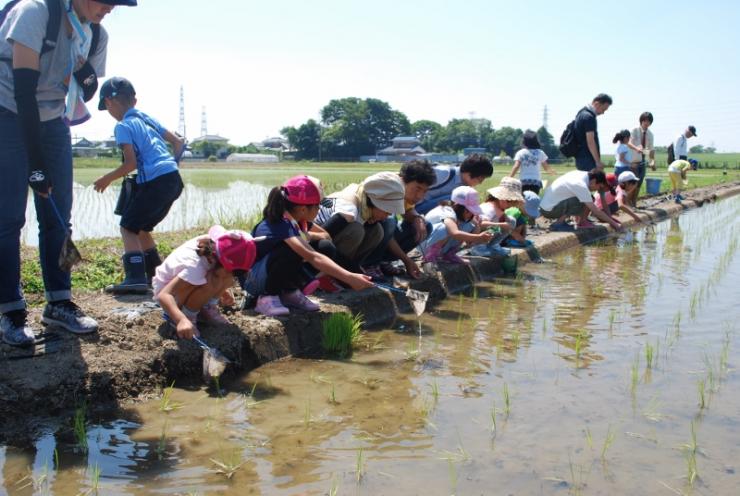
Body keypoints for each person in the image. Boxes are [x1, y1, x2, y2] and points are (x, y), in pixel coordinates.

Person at [0, 0, 137, 346]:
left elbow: (90, 91)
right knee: (8, 219)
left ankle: (58, 303)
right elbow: (23, 92)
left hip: (53, 120)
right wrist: (36, 165)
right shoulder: (34, 13)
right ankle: (11, 310)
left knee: (59, 216)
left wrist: (82, 72)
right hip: (9, 113)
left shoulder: (94, 33)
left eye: (116, 4)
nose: (110, 9)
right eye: (105, 1)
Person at [93, 77, 184, 293]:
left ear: (108, 103)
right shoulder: (147, 119)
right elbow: (179, 142)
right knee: (141, 228)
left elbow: (130, 163)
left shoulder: (123, 126)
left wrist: (106, 179)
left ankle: (135, 278)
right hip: (173, 179)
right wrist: (171, 165)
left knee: (128, 226)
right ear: (134, 100)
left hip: (155, 183)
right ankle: (155, 275)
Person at [244, 176, 374, 316]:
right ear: (303, 209)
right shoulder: (280, 223)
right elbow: (312, 257)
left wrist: (306, 236)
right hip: (253, 280)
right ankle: (266, 298)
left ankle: (290, 292)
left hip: (268, 274)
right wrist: (349, 277)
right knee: (291, 251)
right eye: (317, 205)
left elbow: (326, 236)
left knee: (325, 247)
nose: (320, 209)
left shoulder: (299, 221)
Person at [154, 226, 256, 340]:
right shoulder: (194, 267)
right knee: (211, 281)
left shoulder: (217, 250)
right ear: (214, 260)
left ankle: (206, 308)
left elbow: (221, 273)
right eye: (230, 272)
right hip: (171, 296)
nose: (231, 276)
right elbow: (163, 295)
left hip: (191, 280)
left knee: (223, 279)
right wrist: (181, 320)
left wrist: (222, 292)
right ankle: (187, 317)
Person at [315, 171, 406, 277]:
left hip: (332, 246)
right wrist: (351, 272)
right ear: (374, 202)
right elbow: (321, 241)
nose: (388, 215)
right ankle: (326, 274)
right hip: (317, 245)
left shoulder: (364, 199)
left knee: (377, 231)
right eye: (386, 211)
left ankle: (344, 272)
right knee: (356, 230)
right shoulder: (347, 211)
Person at [362, 160, 436, 280]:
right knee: (390, 220)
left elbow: (408, 210)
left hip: (381, 232)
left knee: (425, 226)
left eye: (424, 191)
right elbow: (387, 230)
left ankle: (383, 261)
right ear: (403, 180)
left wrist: (417, 219)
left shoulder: (402, 188)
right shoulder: (389, 186)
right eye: (417, 189)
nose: (420, 196)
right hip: (364, 233)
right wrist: (406, 260)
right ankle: (369, 264)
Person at [418, 186, 493, 264]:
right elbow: (454, 233)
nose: (471, 213)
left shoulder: (460, 216)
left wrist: (477, 225)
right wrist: (478, 237)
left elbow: (469, 243)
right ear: (457, 206)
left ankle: (449, 254)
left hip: (441, 246)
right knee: (444, 228)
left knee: (469, 224)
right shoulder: (447, 212)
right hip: (425, 244)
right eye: (469, 211)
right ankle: (430, 255)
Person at [539, 169, 624, 232]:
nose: (597, 190)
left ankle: (581, 221)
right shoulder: (580, 184)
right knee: (583, 200)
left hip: (549, 206)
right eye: (599, 187)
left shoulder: (582, 175)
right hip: (549, 210)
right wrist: (615, 225)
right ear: (594, 181)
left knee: (588, 198)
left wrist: (610, 219)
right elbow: (596, 210)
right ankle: (559, 224)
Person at [414, 154, 493, 215]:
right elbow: (411, 182)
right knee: (459, 199)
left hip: (431, 211)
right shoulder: (444, 173)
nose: (481, 183)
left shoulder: (465, 186)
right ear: (469, 174)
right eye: (480, 179)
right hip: (415, 209)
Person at [574, 93, 612, 172]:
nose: (603, 112)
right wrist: (597, 161)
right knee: (592, 183)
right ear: (597, 104)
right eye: (603, 109)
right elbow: (590, 141)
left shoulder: (581, 113)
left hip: (580, 158)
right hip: (588, 159)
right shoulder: (589, 117)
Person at [509, 129, 554, 194]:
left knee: (524, 201)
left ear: (524, 142)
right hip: (536, 182)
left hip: (523, 182)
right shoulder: (540, 153)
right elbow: (546, 167)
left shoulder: (521, 153)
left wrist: (509, 177)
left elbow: (516, 166)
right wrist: (551, 172)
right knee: (534, 200)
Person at [628, 112, 656, 206]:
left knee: (639, 182)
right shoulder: (634, 130)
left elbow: (651, 150)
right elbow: (629, 143)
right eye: (645, 120)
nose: (646, 123)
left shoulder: (650, 134)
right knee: (632, 183)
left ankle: (634, 202)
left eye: (648, 121)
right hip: (633, 161)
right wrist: (637, 148)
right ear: (641, 121)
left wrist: (652, 163)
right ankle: (628, 203)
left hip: (642, 161)